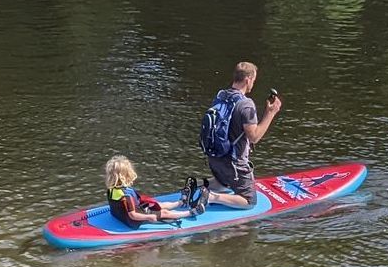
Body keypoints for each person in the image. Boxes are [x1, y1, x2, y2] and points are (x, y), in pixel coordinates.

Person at [203, 61, 282, 210]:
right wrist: (271, 113)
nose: (253, 84)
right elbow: (254, 137)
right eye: (253, 80)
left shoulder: (221, 95)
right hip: (233, 165)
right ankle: (211, 196)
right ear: (248, 79)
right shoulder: (246, 104)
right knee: (250, 201)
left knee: (223, 183)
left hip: (214, 159)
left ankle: (200, 186)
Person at [105, 155, 208, 230]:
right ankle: (190, 213)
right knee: (164, 212)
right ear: (127, 175)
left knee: (159, 205)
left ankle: (181, 202)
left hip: (123, 215)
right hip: (133, 220)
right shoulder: (126, 195)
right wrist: (149, 217)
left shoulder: (111, 190)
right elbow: (133, 215)